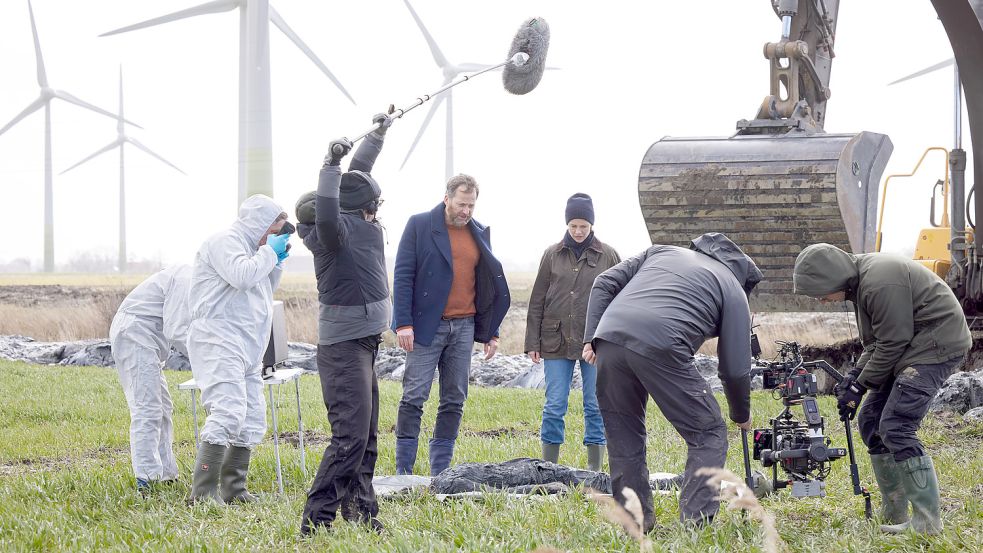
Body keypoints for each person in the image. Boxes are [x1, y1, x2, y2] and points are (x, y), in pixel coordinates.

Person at [583, 232, 761, 531]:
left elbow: (603, 282)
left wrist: (591, 337)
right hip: (662, 344)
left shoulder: (661, 252)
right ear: (743, 278)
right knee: (709, 431)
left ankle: (635, 522)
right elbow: (734, 369)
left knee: (623, 431)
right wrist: (740, 415)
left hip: (609, 340)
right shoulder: (733, 288)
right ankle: (695, 523)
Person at [792, 243, 971, 535]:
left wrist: (861, 385)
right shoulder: (860, 282)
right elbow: (877, 343)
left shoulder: (878, 282)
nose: (822, 300)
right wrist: (853, 378)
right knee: (871, 422)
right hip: (911, 344)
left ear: (834, 278)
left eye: (821, 293)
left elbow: (893, 342)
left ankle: (927, 522)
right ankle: (894, 511)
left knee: (897, 425)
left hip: (936, 344)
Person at [299, 113, 393, 535]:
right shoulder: (333, 234)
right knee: (350, 438)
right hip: (343, 348)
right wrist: (329, 165)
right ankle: (316, 522)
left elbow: (362, 173)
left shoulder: (360, 218)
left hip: (367, 344)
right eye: (375, 203)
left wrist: (377, 134)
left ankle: (361, 511)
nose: (379, 208)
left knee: (367, 436)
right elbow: (335, 197)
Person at [392, 173, 510, 476]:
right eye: (461, 204)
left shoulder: (479, 232)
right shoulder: (420, 225)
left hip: (464, 327)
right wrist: (403, 323)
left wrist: (491, 331)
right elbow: (403, 275)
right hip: (425, 327)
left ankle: (441, 470)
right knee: (414, 395)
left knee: (455, 397)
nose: (466, 211)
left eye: (471, 205)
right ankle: (404, 469)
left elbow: (486, 287)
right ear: (447, 199)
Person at [186, 194, 291, 504]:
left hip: (247, 346)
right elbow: (242, 277)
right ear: (259, 222)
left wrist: (277, 261)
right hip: (218, 339)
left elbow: (262, 289)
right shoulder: (225, 242)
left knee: (252, 417)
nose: (274, 236)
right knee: (228, 410)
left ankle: (235, 489)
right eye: (275, 229)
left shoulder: (255, 251)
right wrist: (268, 254)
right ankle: (203, 493)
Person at [524, 193, 620, 471]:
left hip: (596, 343)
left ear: (592, 225)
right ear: (567, 224)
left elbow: (621, 298)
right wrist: (533, 341)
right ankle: (548, 468)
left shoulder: (609, 255)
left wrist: (615, 340)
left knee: (595, 404)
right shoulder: (551, 254)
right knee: (554, 404)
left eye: (584, 226)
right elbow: (537, 299)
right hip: (555, 340)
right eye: (573, 226)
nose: (578, 232)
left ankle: (594, 470)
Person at [110, 264, 192, 493]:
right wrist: (206, 361)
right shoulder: (187, 278)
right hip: (134, 334)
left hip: (148, 339)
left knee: (164, 407)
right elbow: (178, 330)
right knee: (147, 407)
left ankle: (166, 474)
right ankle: (146, 480)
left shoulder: (202, 282)